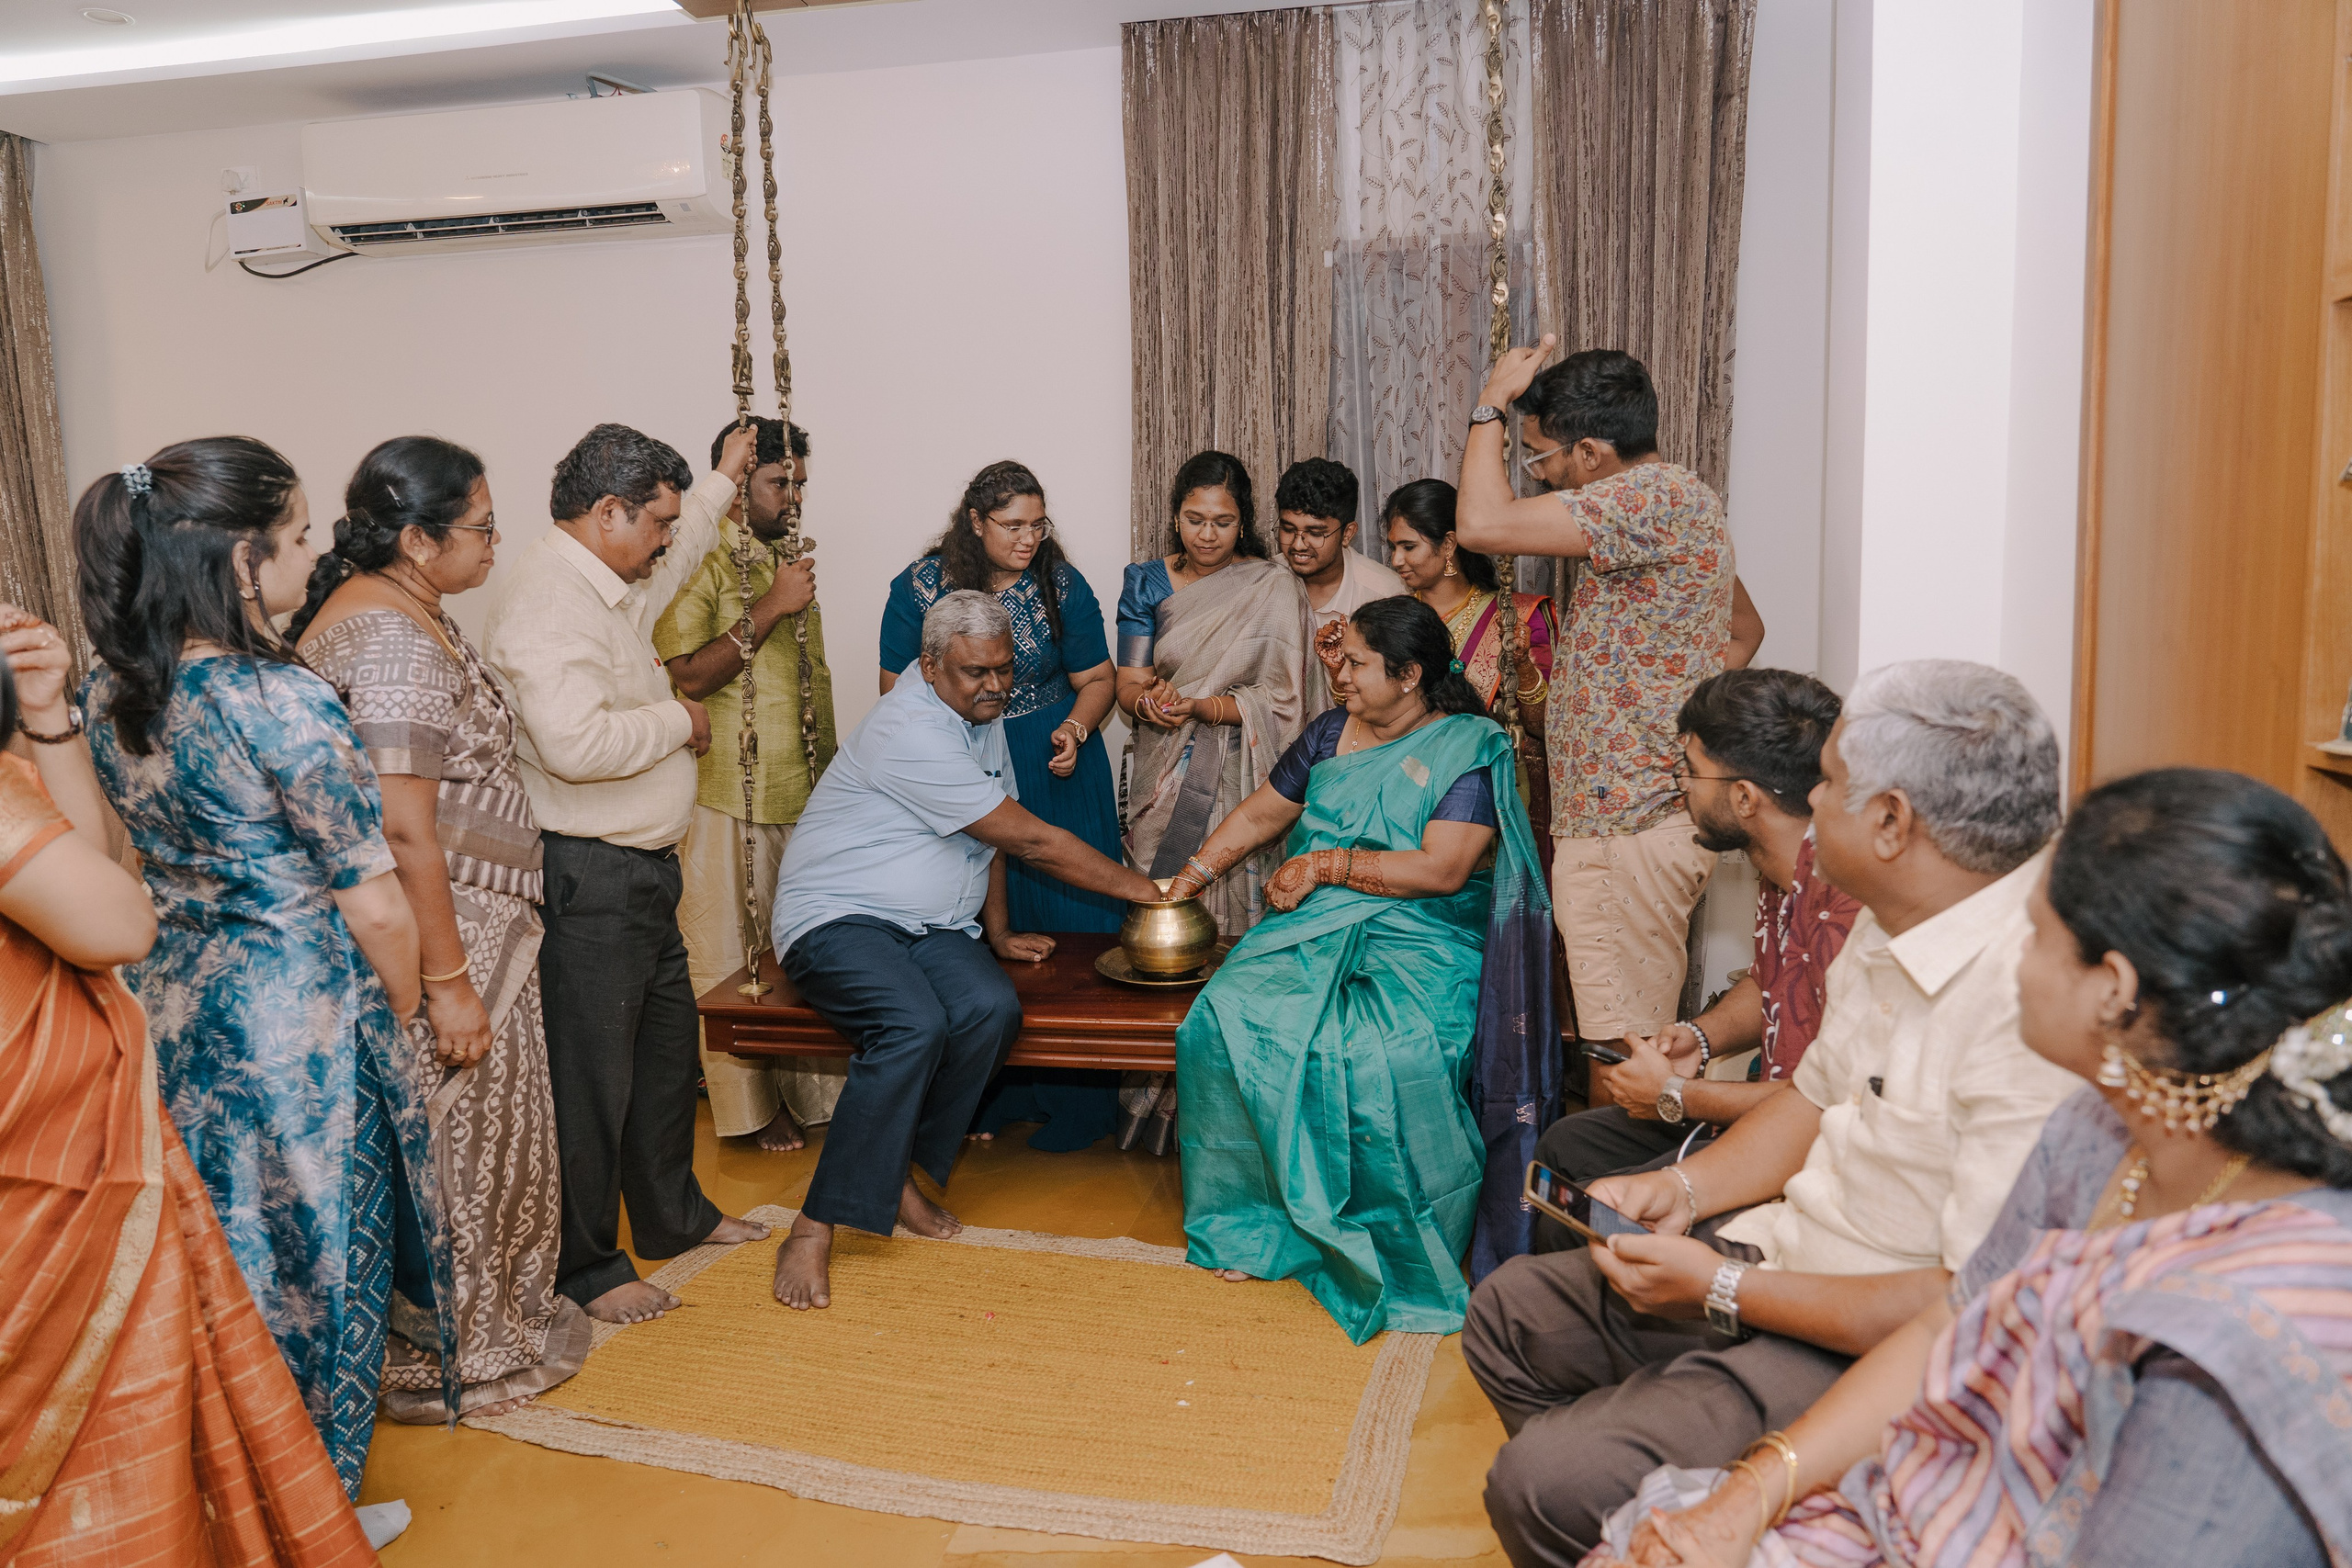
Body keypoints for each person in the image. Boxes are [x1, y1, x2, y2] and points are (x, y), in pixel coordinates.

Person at [1588, 768, 2352, 1568]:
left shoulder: (2239, 1338)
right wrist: (1749, 1494)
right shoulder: (2096, 1130)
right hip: (1928, 1495)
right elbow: (1953, 1322)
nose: (2012, 959)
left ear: (2113, 990)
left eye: (2036, 936)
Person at [1464, 660, 2084, 1566]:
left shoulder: (2031, 1001)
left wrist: (1720, 1286)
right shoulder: (1892, 917)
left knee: (1543, 1478)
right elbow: (1810, 1098)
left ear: (1890, 821)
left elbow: (1964, 1307)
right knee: (1510, 1314)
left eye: (1828, 782)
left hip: (1870, 1340)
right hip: (1782, 1249)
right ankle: (1653, 1493)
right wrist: (1682, 1190)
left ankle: (1670, 1485)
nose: (1811, 799)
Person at [76, 438, 458, 1496]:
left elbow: (116, 852)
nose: (308, 553)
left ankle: (226, 1499)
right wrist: (397, 1012)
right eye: (294, 537)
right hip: (298, 1021)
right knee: (318, 1269)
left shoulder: (111, 689)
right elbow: (373, 898)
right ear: (243, 561)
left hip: (174, 1005)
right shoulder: (279, 699)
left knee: (212, 1265)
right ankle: (312, 1508)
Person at [0, 615, 393, 1561]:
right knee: (86, 1388)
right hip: (47, 1142)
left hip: (95, 1081)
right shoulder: (270, 697)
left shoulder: (86, 709)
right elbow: (118, 918)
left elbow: (97, 857)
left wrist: (45, 718)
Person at [292, 436, 587, 1422]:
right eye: (482, 528)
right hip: (448, 928)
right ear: (417, 539)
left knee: (475, 1139)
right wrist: (449, 981)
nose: (495, 544)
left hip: (471, 921)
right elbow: (401, 825)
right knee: (459, 1145)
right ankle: (455, 1353)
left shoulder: (403, 609)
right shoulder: (389, 637)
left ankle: (481, 1329)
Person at [1168, 597, 1554, 1339]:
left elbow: (1442, 870)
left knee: (1385, 1051)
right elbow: (1262, 815)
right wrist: (1186, 880)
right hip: (1312, 929)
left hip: (1427, 937)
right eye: (1341, 660)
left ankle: (1389, 1243)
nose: (1339, 673)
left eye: (1356, 664)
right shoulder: (1328, 732)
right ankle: (1260, 1228)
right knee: (1225, 1017)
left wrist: (1326, 865)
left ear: (1409, 676)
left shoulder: (1468, 746)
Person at [766, 592, 1160, 1310]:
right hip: (839, 917)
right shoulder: (909, 729)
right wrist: (1148, 891)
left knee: (988, 1009)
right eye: (977, 671)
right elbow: (1029, 837)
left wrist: (999, 932)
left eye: (1005, 668)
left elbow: (990, 835)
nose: (996, 685)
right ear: (929, 666)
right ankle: (812, 1224)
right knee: (912, 1024)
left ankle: (894, 1173)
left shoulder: (980, 717)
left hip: (931, 925)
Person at [480, 423, 769, 1329]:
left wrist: (721, 480)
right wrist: (682, 722)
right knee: (592, 1082)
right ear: (608, 513)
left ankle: (673, 1215)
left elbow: (679, 552)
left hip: (640, 871)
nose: (666, 540)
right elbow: (573, 745)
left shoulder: (610, 580)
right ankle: (587, 1267)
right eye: (656, 523)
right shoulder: (548, 604)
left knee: (662, 1058)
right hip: (589, 874)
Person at [1456, 340, 1733, 1055]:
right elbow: (1742, 629)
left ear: (1589, 453)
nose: (1539, 476)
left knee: (1627, 1060)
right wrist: (1666, 696)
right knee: (1637, 1050)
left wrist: (1489, 402)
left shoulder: (1646, 498)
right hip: (1632, 821)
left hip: (1627, 827)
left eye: (1537, 457)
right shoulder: (1676, 503)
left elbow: (1480, 526)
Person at [1532, 669, 1860, 1247]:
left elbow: (1829, 1105)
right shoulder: (1781, 868)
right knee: (1570, 1142)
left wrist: (1675, 1095)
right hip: (1767, 1115)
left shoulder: (1847, 907)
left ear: (1744, 798)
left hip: (1813, 1154)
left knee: (1589, 1218)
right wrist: (1701, 1039)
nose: (1679, 785)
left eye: (1690, 770)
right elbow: (1771, 981)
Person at [880, 460, 1125, 1152]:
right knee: (981, 931)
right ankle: (991, 1094)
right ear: (975, 522)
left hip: (1055, 767)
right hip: (963, 773)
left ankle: (1080, 1105)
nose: (1028, 538)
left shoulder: (1060, 583)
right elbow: (895, 690)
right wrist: (948, 758)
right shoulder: (921, 586)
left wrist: (1076, 728)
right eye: (1013, 525)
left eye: (1038, 524)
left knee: (1075, 929)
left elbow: (1098, 678)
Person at [1116, 451, 1317, 1153]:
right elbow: (1129, 682)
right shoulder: (1145, 581)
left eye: (1223, 522)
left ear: (1244, 521)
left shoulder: (1272, 585)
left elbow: (1285, 702)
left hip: (1242, 775)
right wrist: (1149, 701)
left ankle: (1231, 1098)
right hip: (1163, 772)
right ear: (1176, 514)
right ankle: (1155, 1102)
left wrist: (1202, 704)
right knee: (1164, 906)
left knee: (1237, 918)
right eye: (1195, 519)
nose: (1207, 534)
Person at [652, 416, 841, 1155]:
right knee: (729, 955)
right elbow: (687, 676)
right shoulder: (696, 558)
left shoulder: (783, 556)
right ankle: (750, 1111)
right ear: (736, 486)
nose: (794, 497)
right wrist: (772, 606)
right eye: (778, 482)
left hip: (801, 789)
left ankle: (813, 1095)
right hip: (728, 789)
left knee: (798, 951)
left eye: (801, 484)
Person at [1385, 477, 1558, 853]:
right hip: (1402, 797)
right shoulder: (1392, 622)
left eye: (1408, 546)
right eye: (1393, 547)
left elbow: (1547, 727)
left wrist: (1522, 668)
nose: (1396, 560)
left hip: (1489, 801)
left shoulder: (1517, 618)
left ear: (1448, 544)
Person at [1273, 456, 1406, 699]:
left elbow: (1395, 694)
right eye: (1288, 529)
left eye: (1315, 533)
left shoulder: (1383, 594)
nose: (1298, 544)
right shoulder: (1266, 581)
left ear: (1347, 534)